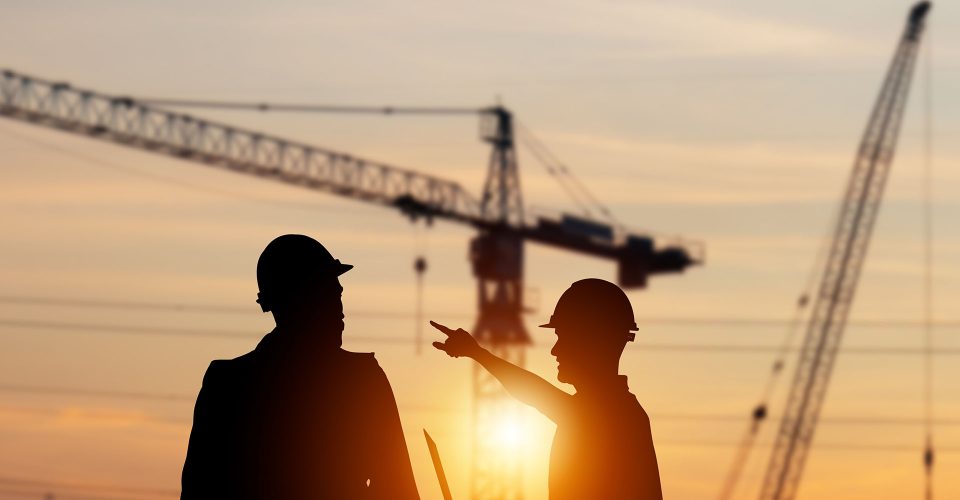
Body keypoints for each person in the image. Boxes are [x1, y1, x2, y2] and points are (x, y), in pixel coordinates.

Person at [182, 234, 419, 500]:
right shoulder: (361, 383)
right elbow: (398, 489)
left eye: (337, 295)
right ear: (300, 300)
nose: (340, 310)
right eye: (327, 295)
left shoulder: (226, 383)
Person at [431, 278, 662, 500]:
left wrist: (478, 353)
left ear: (591, 342)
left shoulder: (611, 416)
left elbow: (535, 393)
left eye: (564, 338)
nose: (555, 351)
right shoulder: (621, 414)